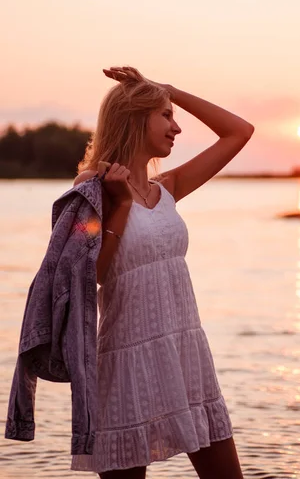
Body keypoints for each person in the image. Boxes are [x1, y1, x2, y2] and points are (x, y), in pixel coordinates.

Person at [70, 66, 254, 478]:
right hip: (126, 362)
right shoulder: (90, 187)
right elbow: (91, 275)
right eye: (166, 115)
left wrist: (167, 90)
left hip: (186, 355)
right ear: (136, 118)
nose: (177, 127)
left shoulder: (167, 188)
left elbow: (240, 131)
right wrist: (118, 204)